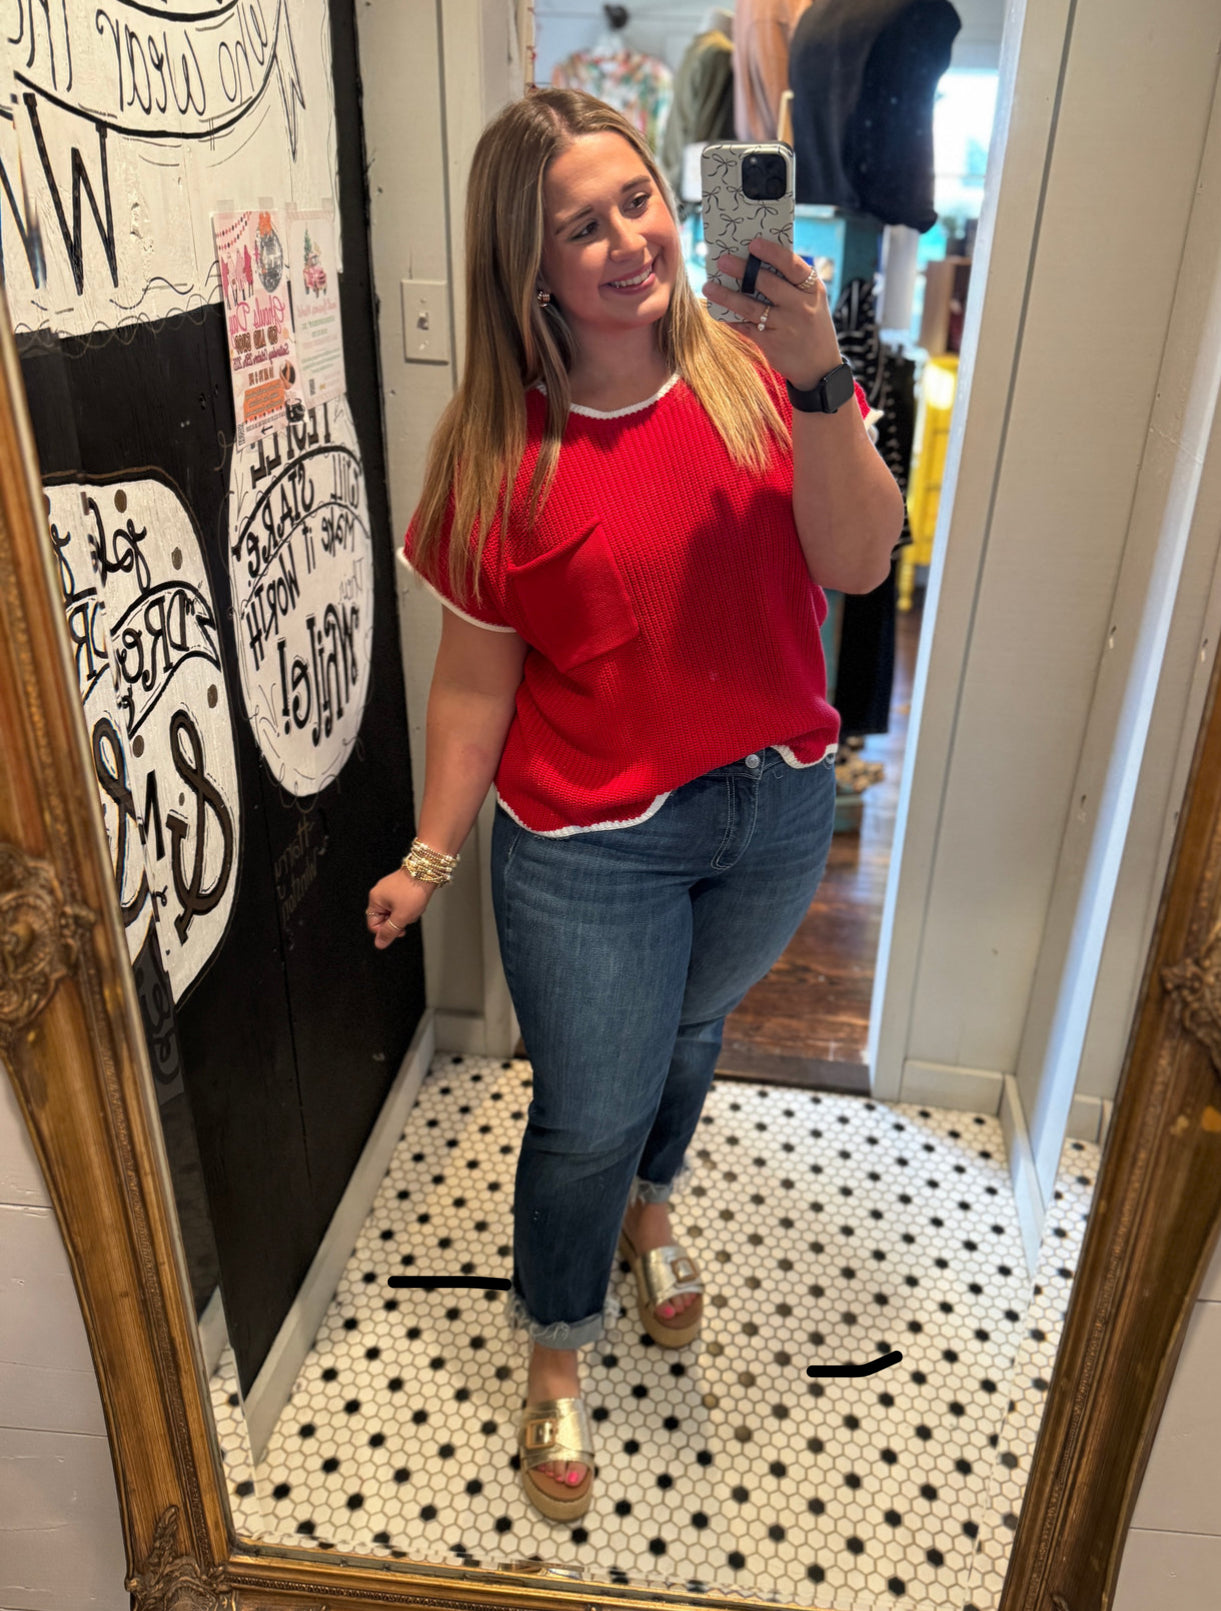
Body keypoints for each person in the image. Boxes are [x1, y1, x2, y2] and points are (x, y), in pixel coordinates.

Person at [366, 86, 904, 1523]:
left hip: (775, 812)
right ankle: (556, 1347)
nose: (623, 240)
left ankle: (652, 1212)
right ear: (524, 268)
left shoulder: (754, 373)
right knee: (587, 1112)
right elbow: (474, 685)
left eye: (635, 202)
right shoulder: (499, 458)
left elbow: (856, 567)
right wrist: (428, 850)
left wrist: (819, 384)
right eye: (574, 226)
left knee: (688, 1033)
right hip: (585, 850)